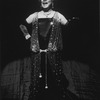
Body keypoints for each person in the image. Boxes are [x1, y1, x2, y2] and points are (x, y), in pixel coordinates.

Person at [19, 0, 80, 100]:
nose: (44, 0)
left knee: (54, 78)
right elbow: (21, 24)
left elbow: (68, 26)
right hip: (38, 54)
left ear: (52, 1)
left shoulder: (58, 15)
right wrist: (27, 36)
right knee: (38, 78)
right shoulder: (34, 16)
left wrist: (74, 21)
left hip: (53, 54)